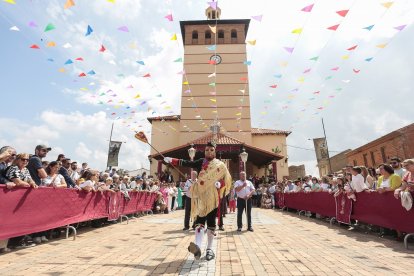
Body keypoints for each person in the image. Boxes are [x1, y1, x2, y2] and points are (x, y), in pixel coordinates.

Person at [164, 141, 232, 261]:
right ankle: (198, 247)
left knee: (211, 223)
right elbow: (187, 163)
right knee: (200, 222)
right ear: (204, 151)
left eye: (211, 150)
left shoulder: (220, 165)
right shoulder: (201, 162)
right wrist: (173, 160)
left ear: (214, 151)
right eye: (207, 150)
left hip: (213, 198)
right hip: (201, 197)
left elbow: (226, 181)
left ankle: (210, 249)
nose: (209, 152)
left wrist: (219, 184)